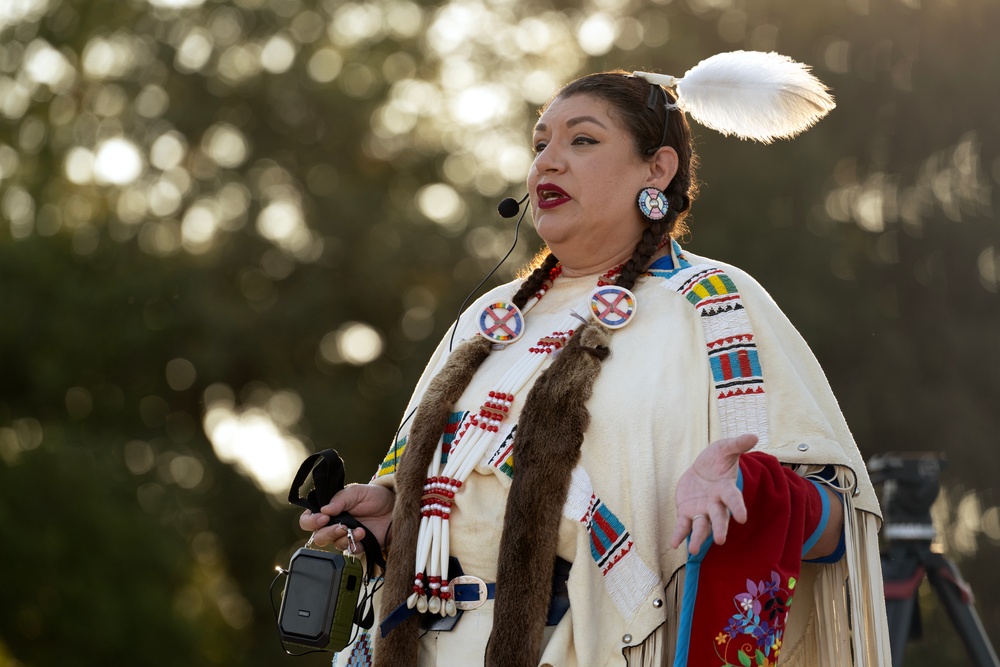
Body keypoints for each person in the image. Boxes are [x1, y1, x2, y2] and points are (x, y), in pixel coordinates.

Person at [300, 57, 890, 667]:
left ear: (657, 169)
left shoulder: (715, 308)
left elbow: (836, 524)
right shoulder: (489, 317)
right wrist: (396, 516)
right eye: (540, 144)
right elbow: (462, 520)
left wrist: (747, 488)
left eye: (582, 140)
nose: (547, 162)